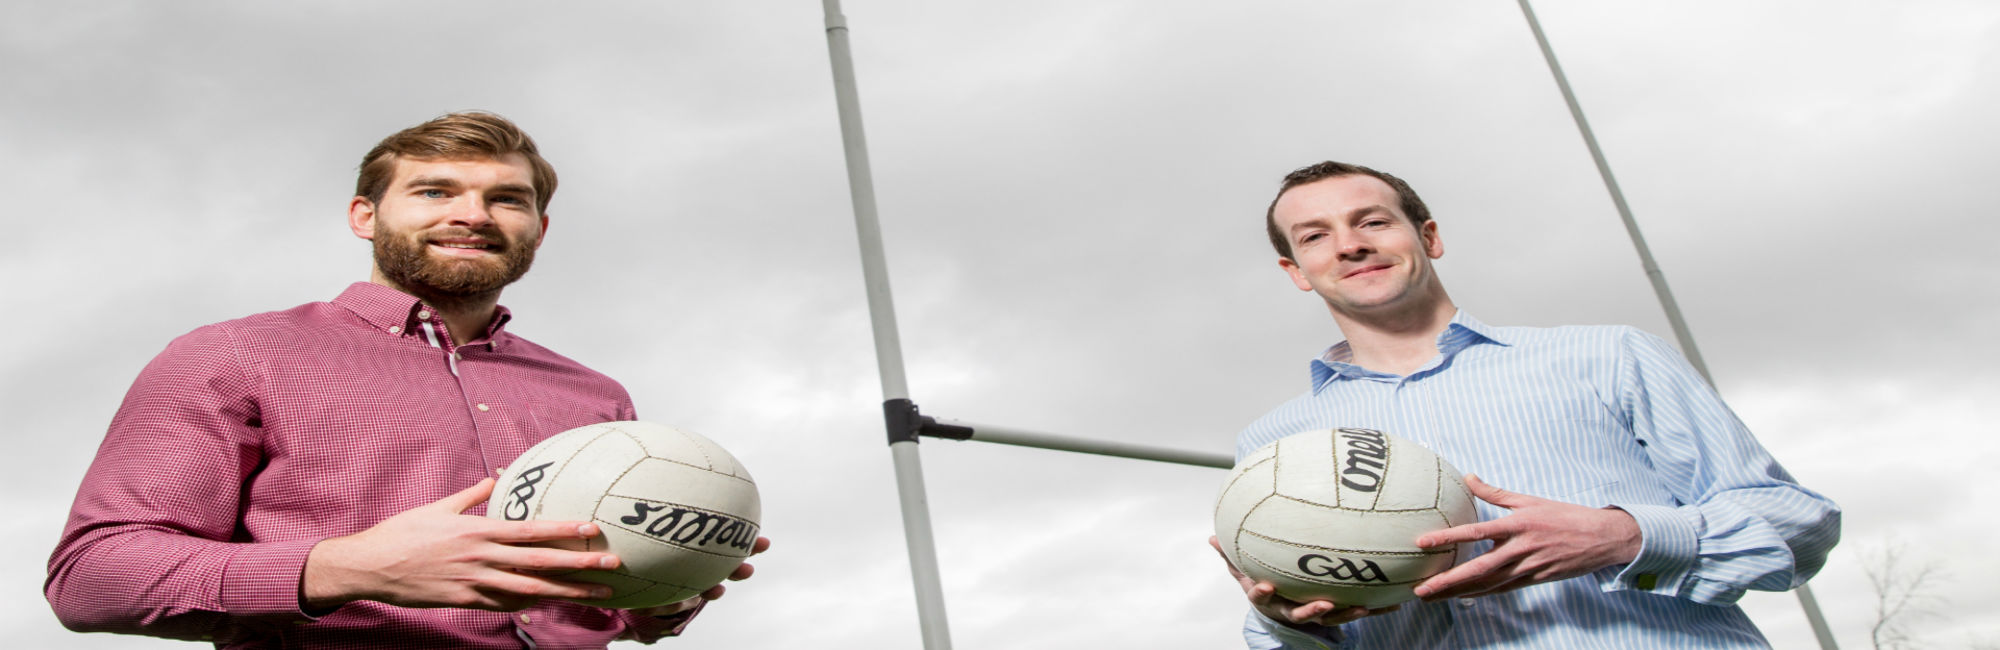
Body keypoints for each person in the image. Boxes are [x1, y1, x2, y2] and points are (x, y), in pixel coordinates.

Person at [47, 111, 768, 647]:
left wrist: (669, 589)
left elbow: (607, 608)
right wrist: (346, 567)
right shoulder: (238, 353)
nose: (472, 215)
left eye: (507, 200)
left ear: (539, 230)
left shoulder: (596, 398)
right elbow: (92, 575)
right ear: (366, 216)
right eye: (434, 191)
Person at [1214, 161, 1840, 649]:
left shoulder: (1609, 357)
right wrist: (1287, 622)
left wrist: (1627, 536)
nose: (1349, 245)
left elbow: (1796, 527)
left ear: (1428, 236)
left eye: (1373, 222)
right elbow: (1300, 636)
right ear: (1296, 270)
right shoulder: (1275, 447)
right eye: (1316, 236)